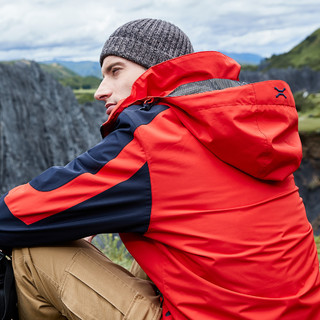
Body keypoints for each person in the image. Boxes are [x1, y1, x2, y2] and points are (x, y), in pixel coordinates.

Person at [0, 18, 319, 320]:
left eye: (115, 71)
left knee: (32, 252)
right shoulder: (245, 131)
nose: (100, 90)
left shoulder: (155, 139)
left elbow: (18, 215)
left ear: (156, 71)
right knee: (159, 241)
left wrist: (63, 222)